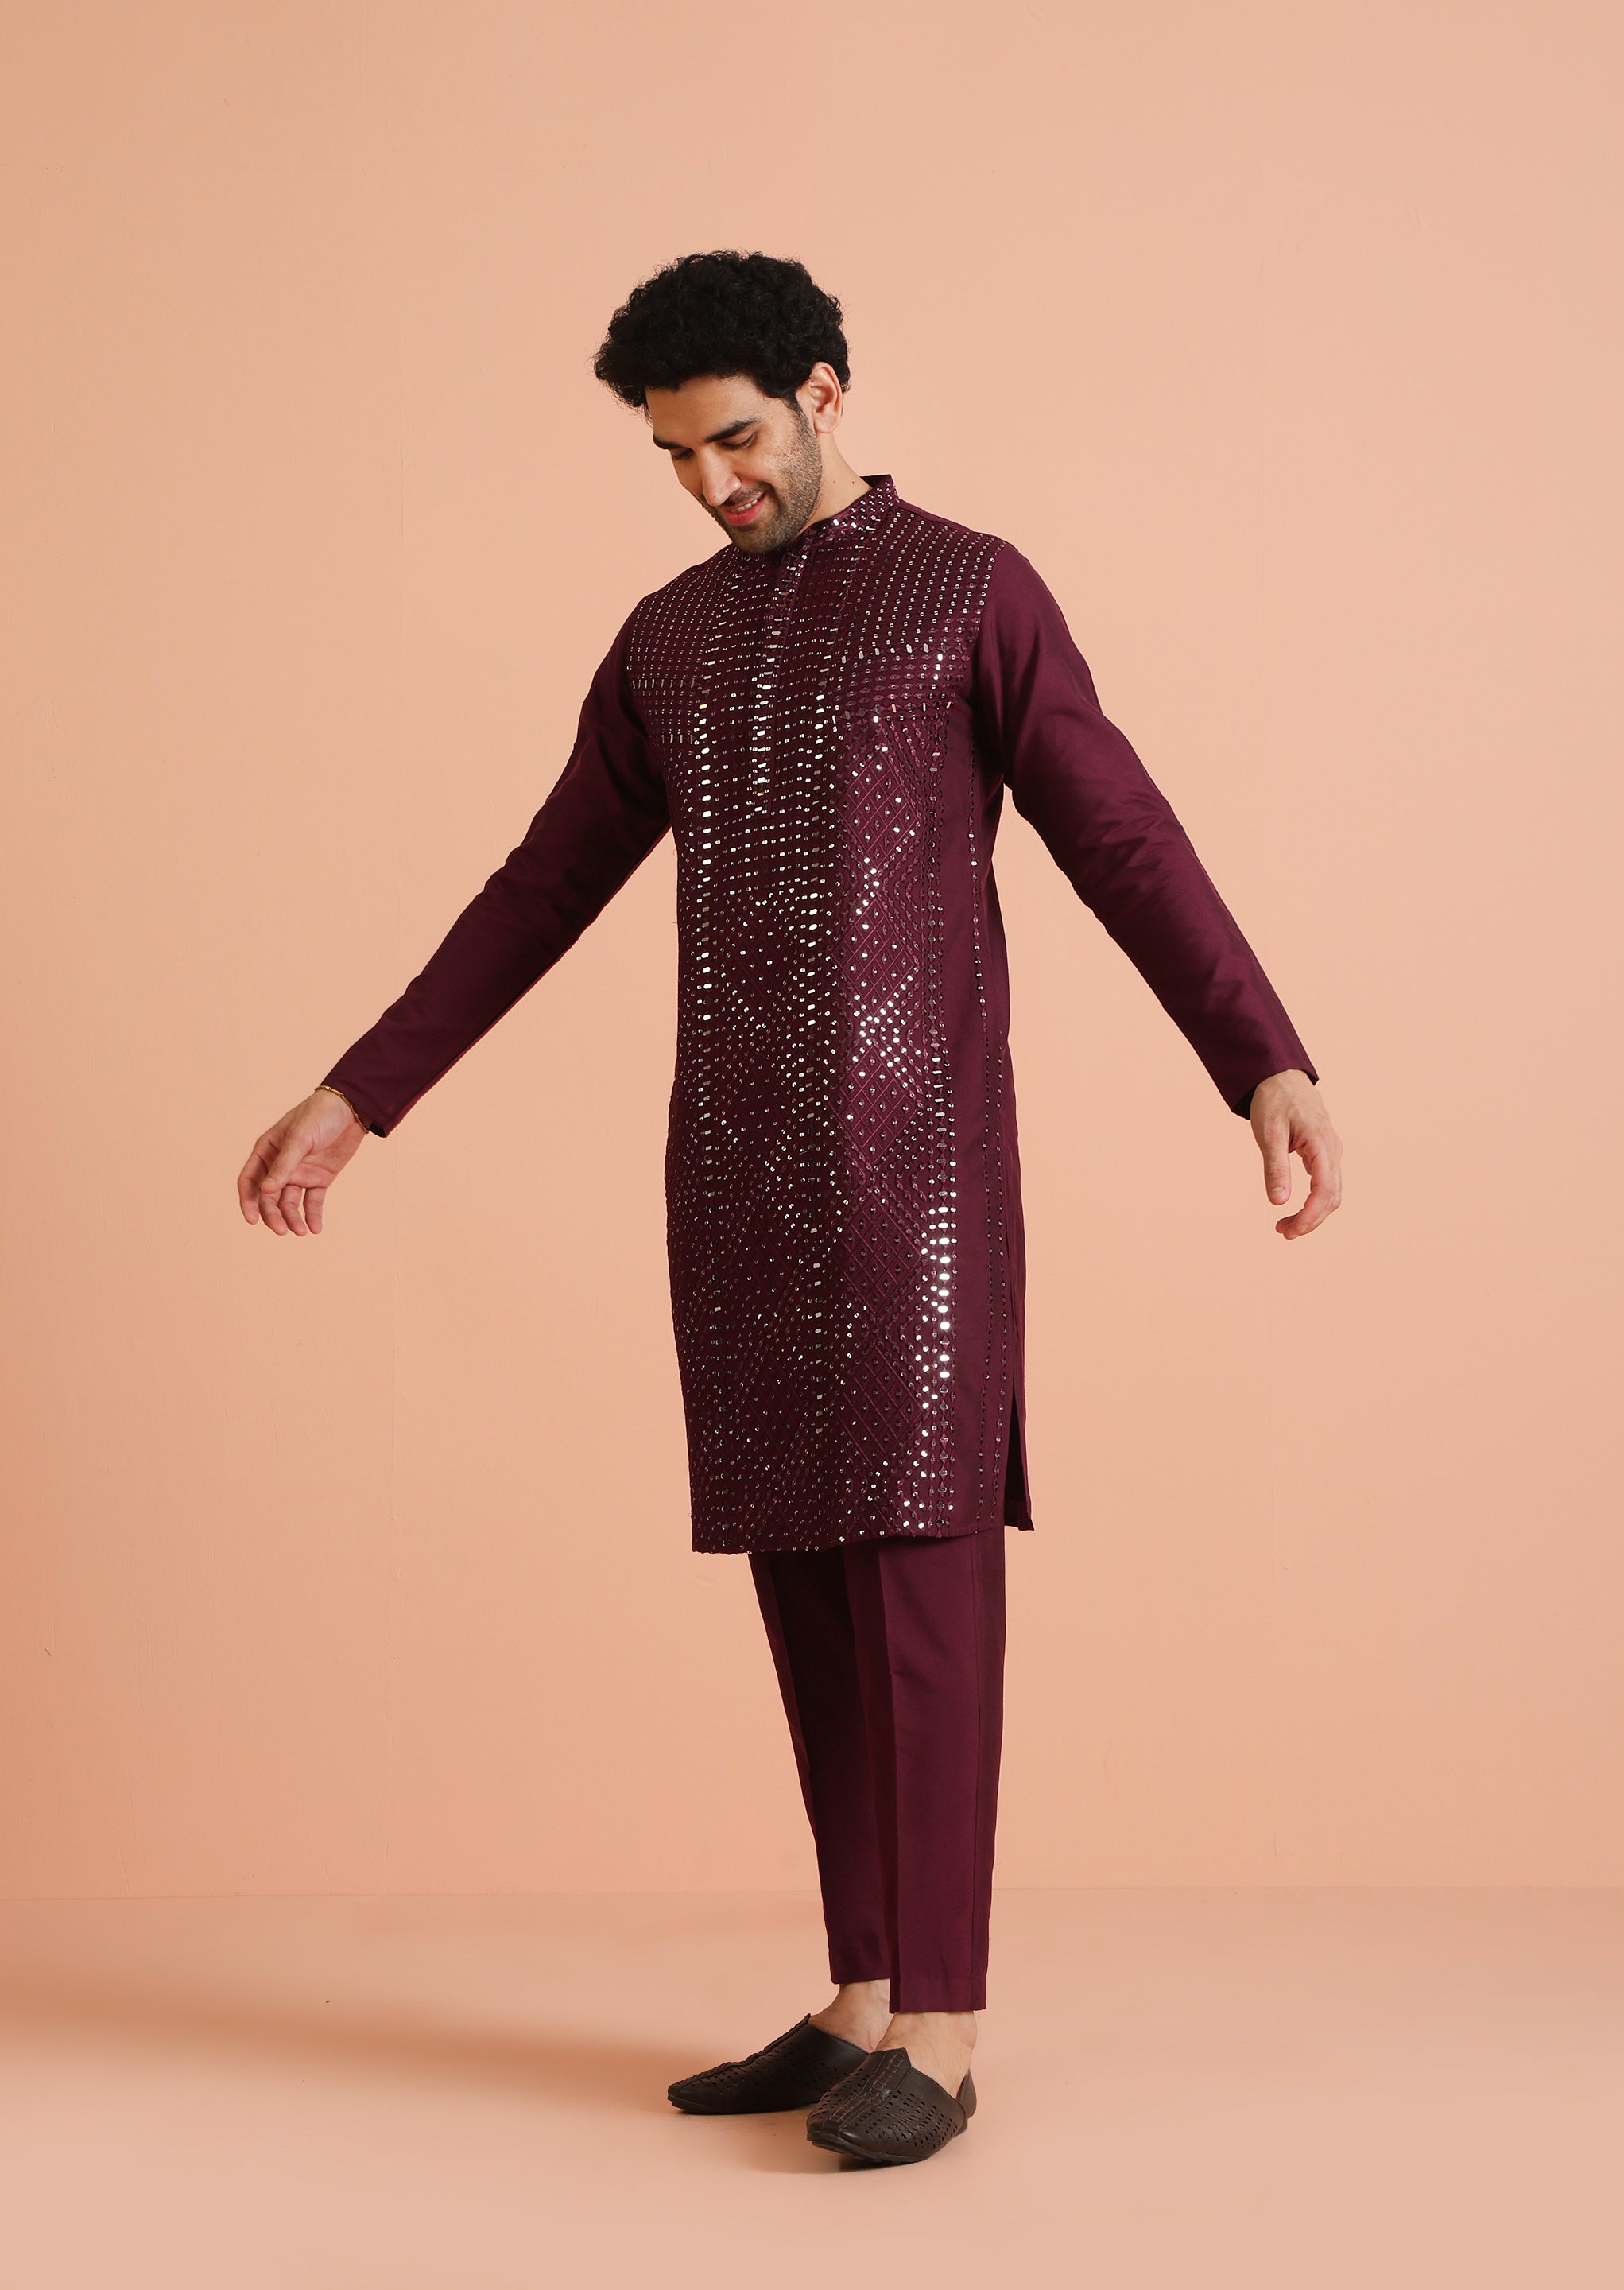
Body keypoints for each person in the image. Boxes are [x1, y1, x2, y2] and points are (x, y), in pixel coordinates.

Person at [238, 250, 1341, 2168]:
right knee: (807, 1586)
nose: (712, 484)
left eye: (736, 439)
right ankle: (860, 2003)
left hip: (920, 1176)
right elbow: (540, 886)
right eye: (675, 457)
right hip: (735, 1175)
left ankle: (948, 2027)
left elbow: (1119, 832)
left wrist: (1262, 1058)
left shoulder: (970, 591)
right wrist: (362, 1093)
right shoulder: (666, 642)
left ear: (826, 390)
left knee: (917, 1575)